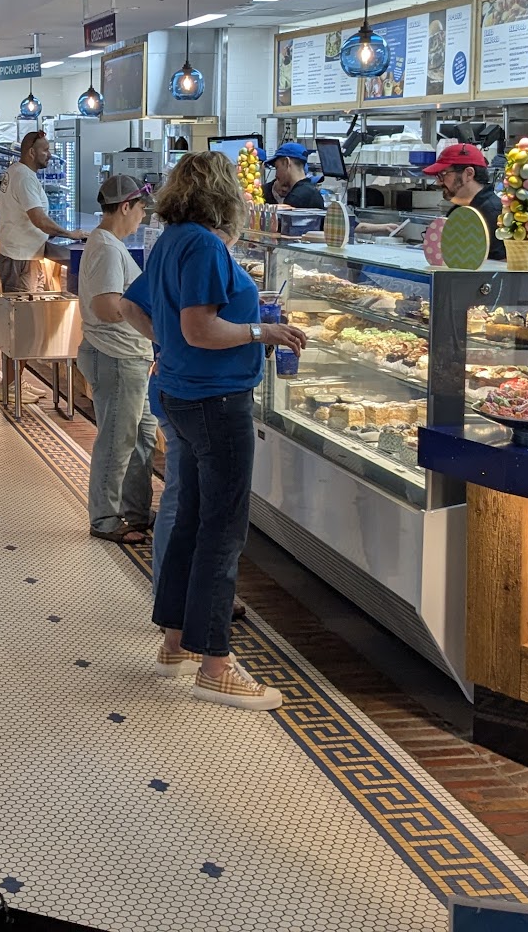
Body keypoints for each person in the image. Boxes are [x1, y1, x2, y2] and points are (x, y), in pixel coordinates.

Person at [117, 152, 305, 711]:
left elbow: (132, 307)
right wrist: (262, 331)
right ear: (223, 193)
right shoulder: (202, 244)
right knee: (223, 531)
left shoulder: (172, 238)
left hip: (182, 394)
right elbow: (201, 328)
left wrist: (168, 345)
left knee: (192, 520)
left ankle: (176, 641)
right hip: (215, 400)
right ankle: (216, 666)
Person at [77, 174, 158, 544]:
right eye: (141, 209)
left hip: (129, 356)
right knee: (117, 441)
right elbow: (107, 306)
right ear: (126, 206)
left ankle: (136, 511)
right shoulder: (108, 248)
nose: (143, 217)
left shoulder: (108, 244)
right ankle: (106, 519)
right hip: (116, 356)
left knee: (141, 437)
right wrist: (148, 315)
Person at [0, 129, 85, 294]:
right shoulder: (25, 178)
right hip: (21, 260)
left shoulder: (14, 170)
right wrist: (70, 234)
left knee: (24, 306)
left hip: (17, 255)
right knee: (23, 308)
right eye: (45, 150)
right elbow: (39, 220)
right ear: (31, 152)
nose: (49, 155)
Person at [420, 142, 503, 259]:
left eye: (443, 174)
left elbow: (499, 264)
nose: (438, 182)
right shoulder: (457, 210)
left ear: (469, 174)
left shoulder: (494, 213)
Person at [262, 143, 324, 210]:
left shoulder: (297, 197)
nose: (276, 175)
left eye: (277, 167)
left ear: (286, 162)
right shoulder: (311, 191)